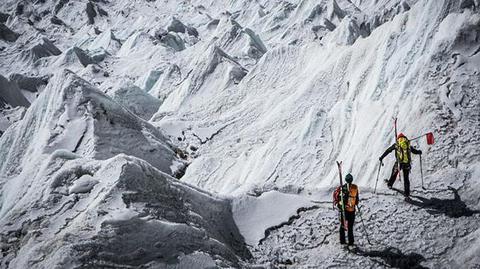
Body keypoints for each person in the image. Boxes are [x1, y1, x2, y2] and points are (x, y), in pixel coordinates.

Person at [379, 133, 422, 198]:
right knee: (406, 178)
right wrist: (419, 152)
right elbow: (414, 151)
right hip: (407, 163)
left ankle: (390, 185)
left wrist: (381, 157)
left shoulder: (397, 144)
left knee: (394, 173)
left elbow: (388, 151)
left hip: (399, 163)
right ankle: (407, 193)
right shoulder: (407, 144)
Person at [333, 173, 359, 246]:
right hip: (352, 210)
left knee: (342, 225)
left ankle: (342, 240)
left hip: (344, 211)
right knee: (350, 227)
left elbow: (341, 199)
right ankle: (351, 242)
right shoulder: (355, 187)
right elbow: (357, 200)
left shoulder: (342, 188)